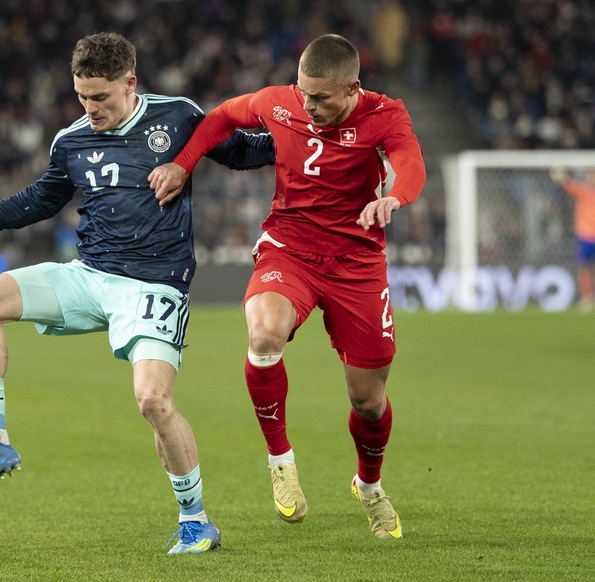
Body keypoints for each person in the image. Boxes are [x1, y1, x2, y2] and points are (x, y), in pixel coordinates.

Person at [0, 32, 274, 554]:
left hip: (155, 283)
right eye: (82, 96)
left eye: (101, 97)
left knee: (153, 401)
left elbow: (243, 152)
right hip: (89, 276)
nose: (90, 108)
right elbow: (42, 199)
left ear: (130, 83)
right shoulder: (71, 140)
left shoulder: (178, 116)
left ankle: (195, 520)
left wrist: (306, 137)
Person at [149, 33, 426, 540]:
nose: (309, 105)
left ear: (352, 89)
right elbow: (222, 117)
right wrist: (183, 164)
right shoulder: (280, 102)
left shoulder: (385, 115)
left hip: (357, 262)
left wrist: (396, 197)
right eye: (303, 92)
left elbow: (410, 161)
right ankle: (281, 460)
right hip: (289, 248)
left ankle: (369, 485)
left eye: (321, 97)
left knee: (368, 401)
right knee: (263, 337)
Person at [551, 168, 595, 311]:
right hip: (585, 235)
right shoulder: (583, 191)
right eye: (592, 176)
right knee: (584, 267)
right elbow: (567, 185)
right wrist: (559, 174)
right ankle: (587, 298)